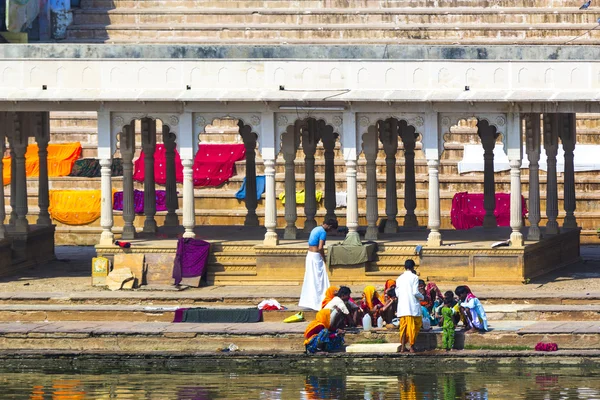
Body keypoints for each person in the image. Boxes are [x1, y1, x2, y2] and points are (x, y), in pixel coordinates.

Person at [299, 219, 338, 311]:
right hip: (316, 256)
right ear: (329, 226)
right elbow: (320, 248)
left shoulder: (315, 228)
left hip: (309, 255)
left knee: (311, 278)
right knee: (319, 280)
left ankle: (311, 301)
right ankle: (320, 301)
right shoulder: (323, 232)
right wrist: (324, 259)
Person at [396, 259, 424, 353]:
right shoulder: (414, 277)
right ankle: (412, 347)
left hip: (402, 307)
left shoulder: (399, 278)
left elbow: (397, 293)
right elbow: (415, 292)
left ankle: (403, 347)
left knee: (403, 328)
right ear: (413, 267)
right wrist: (422, 297)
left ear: (405, 267)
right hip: (412, 306)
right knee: (414, 327)